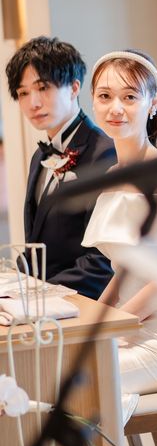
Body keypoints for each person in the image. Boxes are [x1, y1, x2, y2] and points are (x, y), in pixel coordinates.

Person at [82, 49, 157, 398]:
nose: (115, 108)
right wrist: (94, 320)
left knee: (68, 380)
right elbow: (127, 270)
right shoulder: (114, 173)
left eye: (130, 97)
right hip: (130, 328)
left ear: (152, 102)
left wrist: (112, 326)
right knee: (53, 361)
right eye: (105, 96)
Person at [5, 36, 116, 298]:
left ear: (74, 87)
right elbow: (36, 246)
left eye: (43, 87)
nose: (33, 103)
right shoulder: (39, 156)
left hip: (84, 304)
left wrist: (42, 295)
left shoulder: (104, 153)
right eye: (23, 93)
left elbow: (103, 259)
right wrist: (13, 282)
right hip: (42, 305)